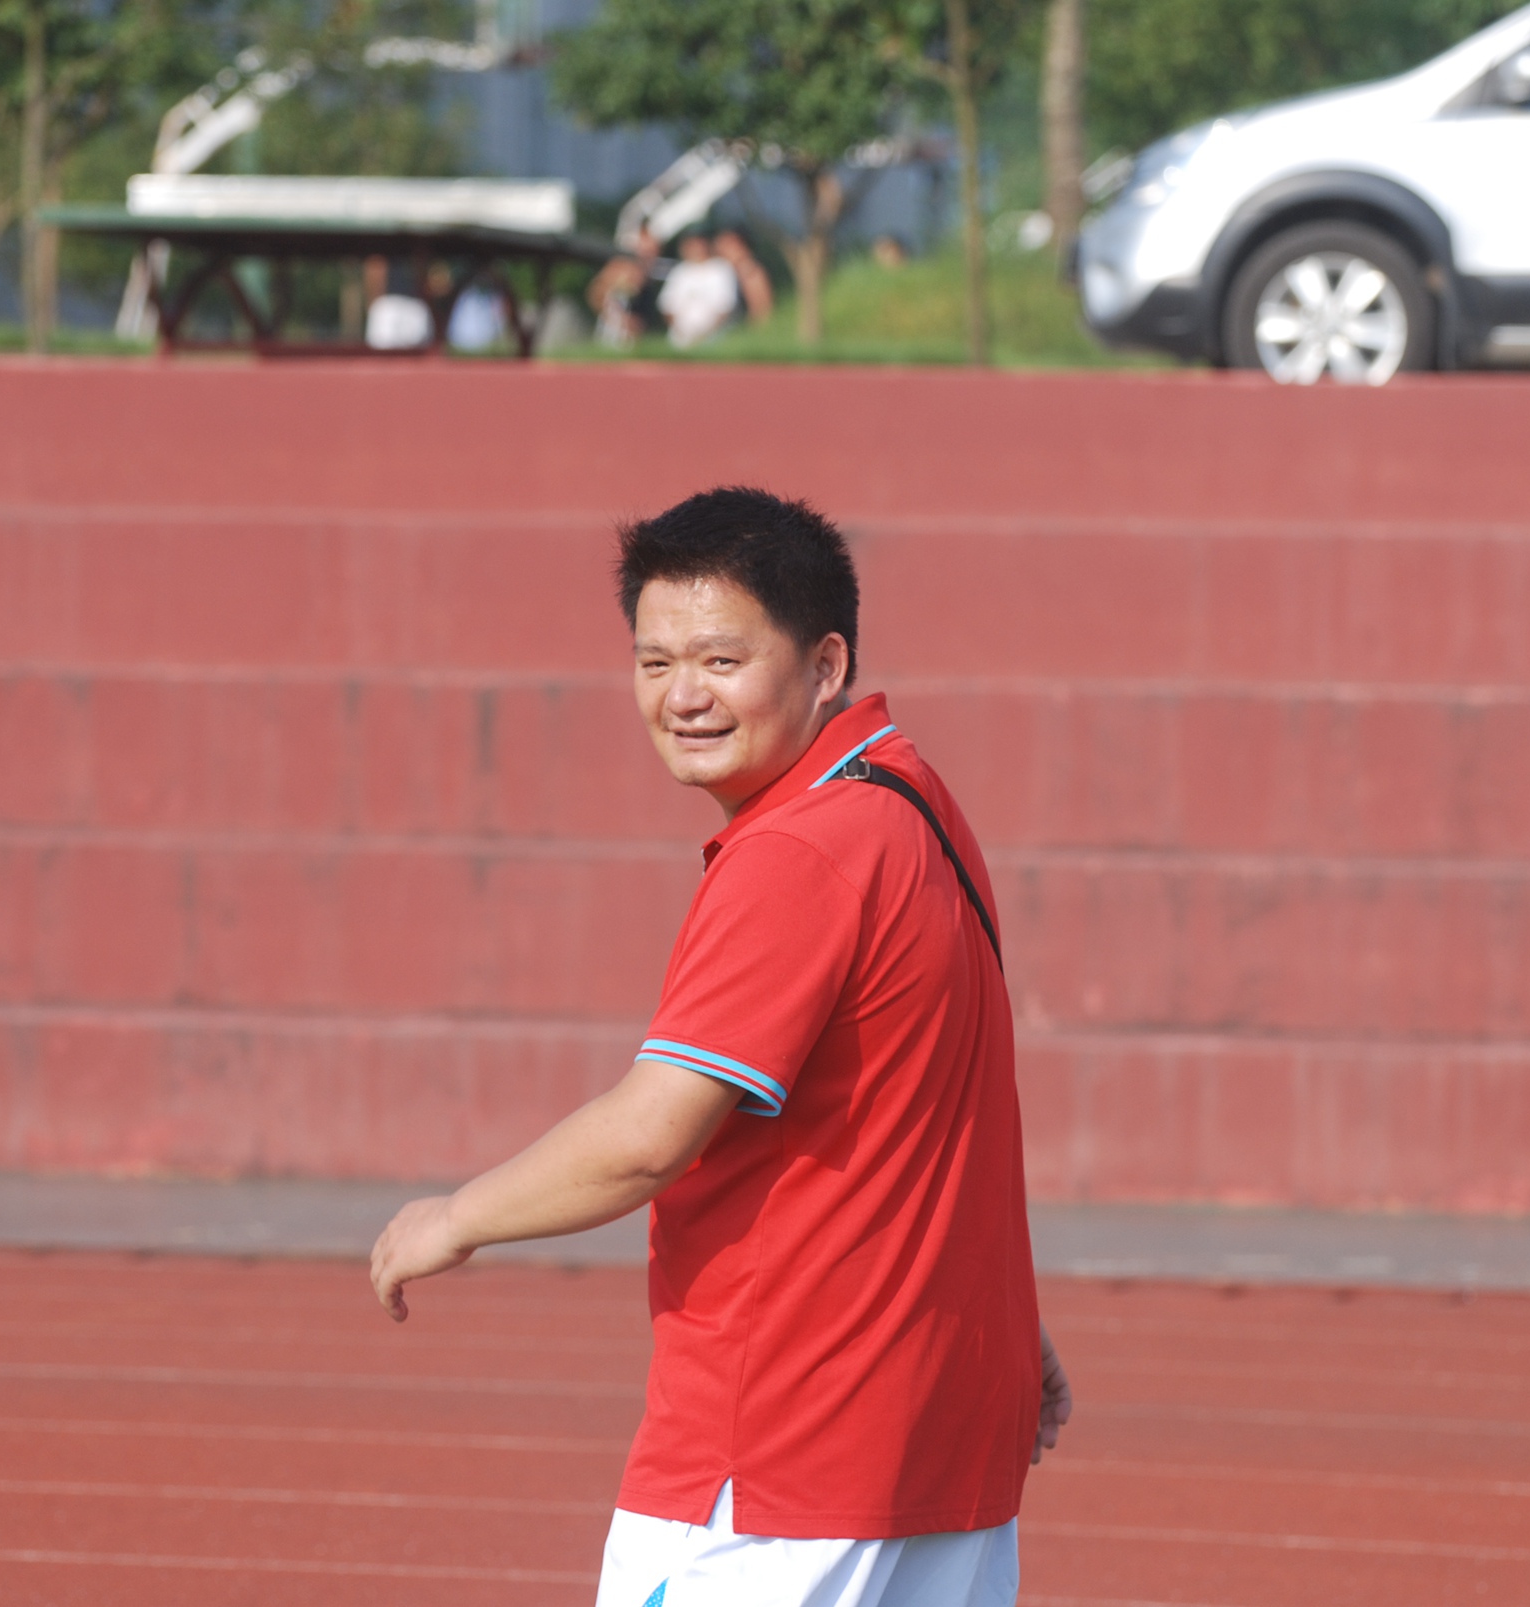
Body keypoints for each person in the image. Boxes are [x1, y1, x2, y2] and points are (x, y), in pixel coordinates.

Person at [372, 488, 1072, 1607]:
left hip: (782, 1463)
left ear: (825, 662)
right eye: (654, 662)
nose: (682, 696)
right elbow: (924, 1107)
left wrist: (454, 1216)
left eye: (720, 659)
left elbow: (651, 1136)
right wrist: (1007, 1328)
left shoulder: (799, 851)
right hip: (939, 1443)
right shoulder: (912, 799)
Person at [657, 233, 740, 349]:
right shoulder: (679, 271)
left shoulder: (721, 269)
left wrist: (704, 334)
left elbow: (725, 307)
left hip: (715, 337)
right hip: (681, 339)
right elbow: (667, 307)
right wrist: (682, 331)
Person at [715, 230, 775, 324]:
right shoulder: (733, 274)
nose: (723, 256)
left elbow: (763, 312)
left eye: (727, 249)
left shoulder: (750, 272)